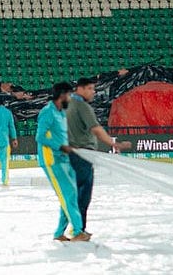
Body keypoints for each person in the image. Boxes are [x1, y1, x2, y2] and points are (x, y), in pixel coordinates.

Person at [66, 77, 132, 236]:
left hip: (70, 154)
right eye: (90, 89)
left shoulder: (66, 105)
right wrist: (113, 143)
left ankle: (72, 228)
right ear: (80, 89)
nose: (93, 92)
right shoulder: (82, 106)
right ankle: (78, 229)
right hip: (83, 155)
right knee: (83, 194)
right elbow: (95, 128)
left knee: (73, 192)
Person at [37, 82, 89, 242]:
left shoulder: (62, 113)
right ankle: (78, 230)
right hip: (51, 160)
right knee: (67, 194)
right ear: (62, 95)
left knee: (70, 194)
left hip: (64, 158)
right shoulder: (48, 113)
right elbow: (40, 137)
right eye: (69, 95)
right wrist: (60, 146)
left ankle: (60, 233)